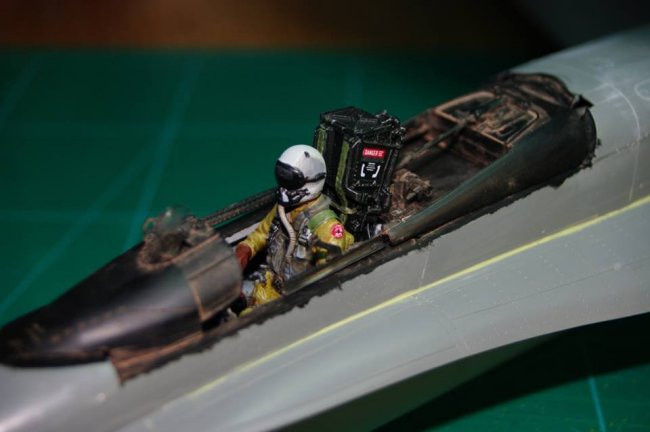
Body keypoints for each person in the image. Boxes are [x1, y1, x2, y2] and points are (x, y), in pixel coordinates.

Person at [234, 144, 354, 309]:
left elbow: (323, 287)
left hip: (291, 303)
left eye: (290, 181)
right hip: (267, 284)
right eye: (282, 179)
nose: (284, 188)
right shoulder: (284, 209)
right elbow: (261, 234)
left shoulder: (327, 230)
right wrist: (245, 249)